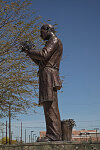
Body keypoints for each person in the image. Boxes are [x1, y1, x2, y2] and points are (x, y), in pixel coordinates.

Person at [22, 24, 63, 141]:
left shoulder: (54, 40)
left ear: (48, 30)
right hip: (47, 74)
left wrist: (30, 50)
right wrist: (28, 52)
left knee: (50, 106)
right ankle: (53, 134)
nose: (40, 35)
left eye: (42, 32)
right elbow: (41, 61)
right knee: (48, 105)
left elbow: (44, 55)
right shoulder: (52, 41)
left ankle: (53, 135)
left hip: (49, 75)